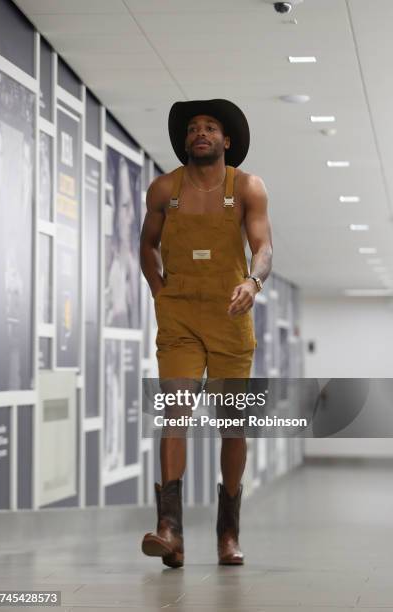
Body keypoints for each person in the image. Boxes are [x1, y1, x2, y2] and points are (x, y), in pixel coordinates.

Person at [139, 99, 273, 568]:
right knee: (175, 411)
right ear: (185, 141)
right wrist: (160, 293)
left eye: (210, 127)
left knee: (232, 427)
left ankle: (228, 532)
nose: (201, 133)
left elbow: (263, 246)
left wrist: (252, 282)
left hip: (231, 315)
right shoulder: (163, 189)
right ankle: (169, 530)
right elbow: (146, 246)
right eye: (194, 128)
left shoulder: (247, 187)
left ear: (226, 140)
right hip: (178, 318)